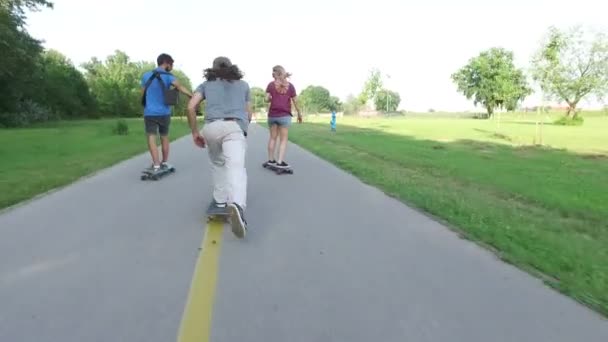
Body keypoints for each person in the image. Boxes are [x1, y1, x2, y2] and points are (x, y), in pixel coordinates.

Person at [186, 57, 252, 238]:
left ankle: (221, 201)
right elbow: (249, 112)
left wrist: (194, 133)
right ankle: (237, 205)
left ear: (212, 69)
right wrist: (244, 129)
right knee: (236, 168)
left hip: (211, 128)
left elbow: (191, 107)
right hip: (234, 126)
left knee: (218, 164)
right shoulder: (243, 85)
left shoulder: (205, 85)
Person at [140, 53, 193, 174]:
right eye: (171, 64)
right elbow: (180, 87)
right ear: (166, 63)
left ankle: (156, 165)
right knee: (164, 137)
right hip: (164, 113)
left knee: (151, 138)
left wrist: (145, 106)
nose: (172, 67)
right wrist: (192, 96)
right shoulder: (169, 76)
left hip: (150, 113)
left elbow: (142, 93)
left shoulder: (146, 76)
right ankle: (164, 162)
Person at [264, 65, 302, 169]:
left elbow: (266, 99)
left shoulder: (270, 85)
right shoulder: (291, 86)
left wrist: (271, 99)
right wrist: (299, 114)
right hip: (284, 116)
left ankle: (271, 160)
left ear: (275, 73)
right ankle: (280, 162)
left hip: (272, 115)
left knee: (272, 138)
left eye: (273, 72)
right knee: (283, 140)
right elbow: (296, 101)